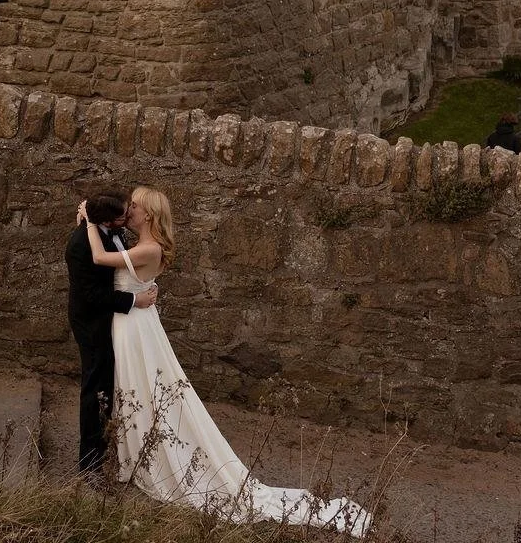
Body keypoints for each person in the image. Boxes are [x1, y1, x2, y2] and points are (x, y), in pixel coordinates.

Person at [80, 186, 372, 537]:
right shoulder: (137, 239)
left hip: (134, 327)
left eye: (136, 206)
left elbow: (100, 259)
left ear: (149, 216)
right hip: (133, 322)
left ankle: (143, 456)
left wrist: (88, 221)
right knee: (132, 384)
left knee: (140, 383)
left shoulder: (148, 247)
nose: (129, 210)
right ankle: (129, 452)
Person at [65, 186, 158, 477]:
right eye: (123, 214)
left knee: (115, 381)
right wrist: (134, 299)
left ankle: (112, 446)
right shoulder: (80, 246)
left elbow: (126, 266)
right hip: (92, 321)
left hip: (116, 320)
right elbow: (91, 295)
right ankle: (89, 463)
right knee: (95, 387)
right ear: (108, 221)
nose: (129, 213)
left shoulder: (112, 230)